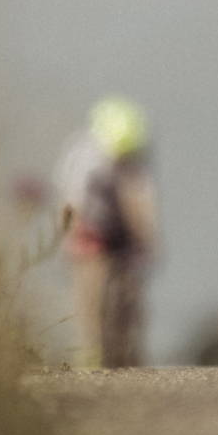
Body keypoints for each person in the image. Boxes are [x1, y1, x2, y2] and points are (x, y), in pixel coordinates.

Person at [54, 95, 160, 368]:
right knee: (90, 303)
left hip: (124, 242)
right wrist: (76, 236)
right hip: (89, 239)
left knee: (129, 302)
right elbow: (71, 199)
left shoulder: (135, 160)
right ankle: (91, 359)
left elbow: (142, 205)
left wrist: (147, 243)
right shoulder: (84, 156)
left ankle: (128, 359)